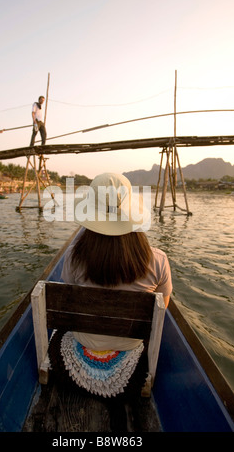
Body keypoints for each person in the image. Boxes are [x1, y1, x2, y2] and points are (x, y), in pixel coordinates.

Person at [48, 173, 172, 425]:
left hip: (80, 352)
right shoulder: (158, 260)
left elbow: (70, 296)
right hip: (130, 361)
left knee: (57, 335)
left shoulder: (73, 256)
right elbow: (162, 309)